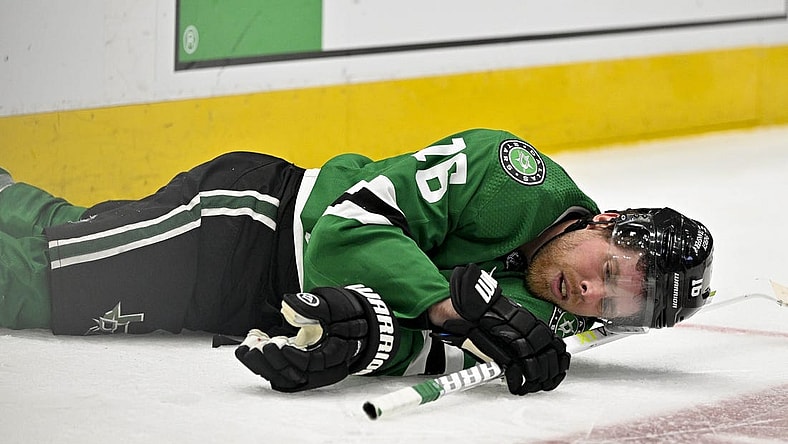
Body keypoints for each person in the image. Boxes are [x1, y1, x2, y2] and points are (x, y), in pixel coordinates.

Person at [0, 128, 714, 395]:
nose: (590, 291)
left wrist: (363, 337)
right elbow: (345, 232)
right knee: (37, 283)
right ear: (609, 220)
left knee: (61, 237)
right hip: (247, 227)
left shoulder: (553, 314)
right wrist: (452, 309)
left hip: (266, 297)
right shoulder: (506, 175)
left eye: (612, 304)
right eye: (610, 268)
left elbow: (430, 350)